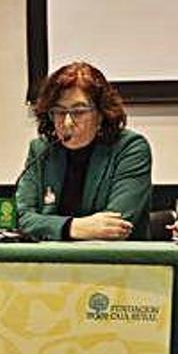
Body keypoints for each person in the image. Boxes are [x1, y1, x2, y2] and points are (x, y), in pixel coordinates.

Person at [15, 61, 152, 240]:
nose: (67, 122)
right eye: (59, 111)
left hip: (116, 262)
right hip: (50, 261)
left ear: (101, 114)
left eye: (78, 112)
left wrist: (46, 225)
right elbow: (21, 218)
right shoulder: (42, 150)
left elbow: (116, 225)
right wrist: (71, 227)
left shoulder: (130, 148)